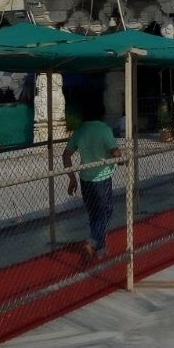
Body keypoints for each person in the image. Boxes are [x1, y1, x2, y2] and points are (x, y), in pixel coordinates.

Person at [63, 91, 122, 260]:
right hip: (101, 178)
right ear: (102, 112)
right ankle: (93, 241)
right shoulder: (104, 129)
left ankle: (100, 250)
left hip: (85, 179)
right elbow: (115, 151)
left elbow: (66, 155)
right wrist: (121, 159)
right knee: (106, 210)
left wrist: (72, 178)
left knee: (94, 214)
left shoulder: (80, 130)